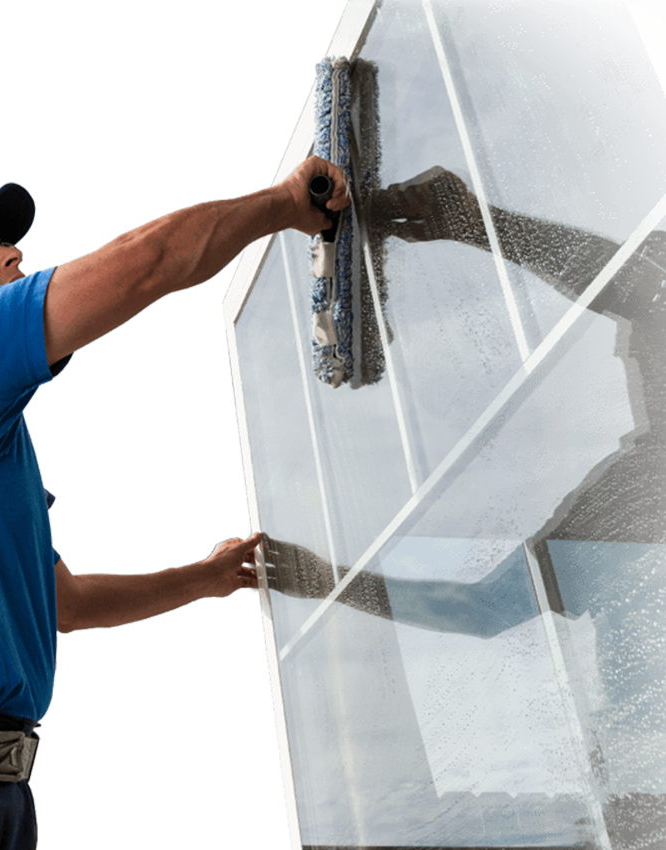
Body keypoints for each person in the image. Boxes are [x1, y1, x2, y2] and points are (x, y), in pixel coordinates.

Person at [0, 156, 351, 850]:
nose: (14, 255)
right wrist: (285, 204)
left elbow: (63, 604)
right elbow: (148, 262)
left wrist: (209, 577)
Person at [263, 166, 664, 849]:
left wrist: (326, 583)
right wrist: (477, 224)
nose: (626, 344)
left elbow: (643, 287)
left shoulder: (640, 495)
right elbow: (642, 287)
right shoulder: (640, 492)